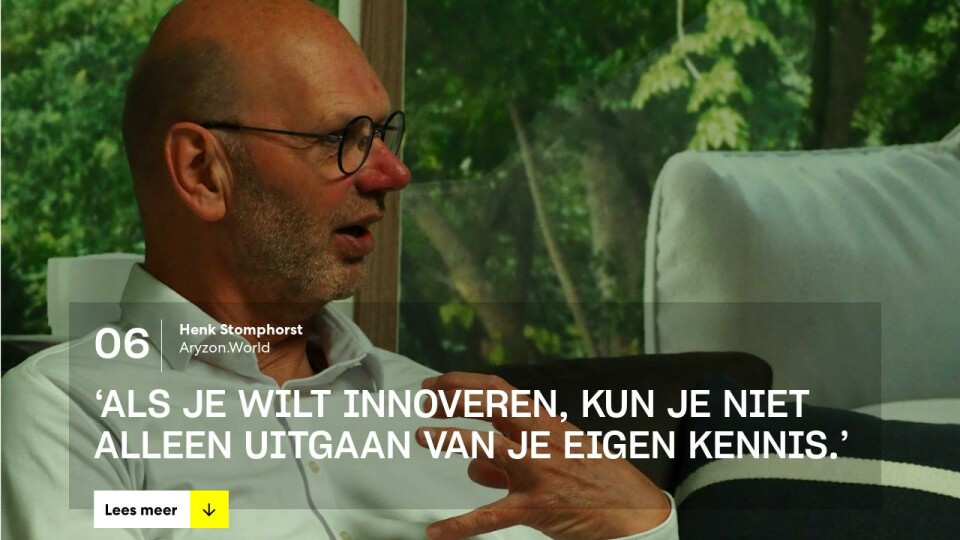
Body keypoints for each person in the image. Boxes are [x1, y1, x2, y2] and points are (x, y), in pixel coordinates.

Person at [0, 0, 677, 538]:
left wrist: (645, 527)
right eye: (340, 139)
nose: (393, 173)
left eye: (382, 135)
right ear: (203, 171)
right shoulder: (69, 415)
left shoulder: (454, 417)